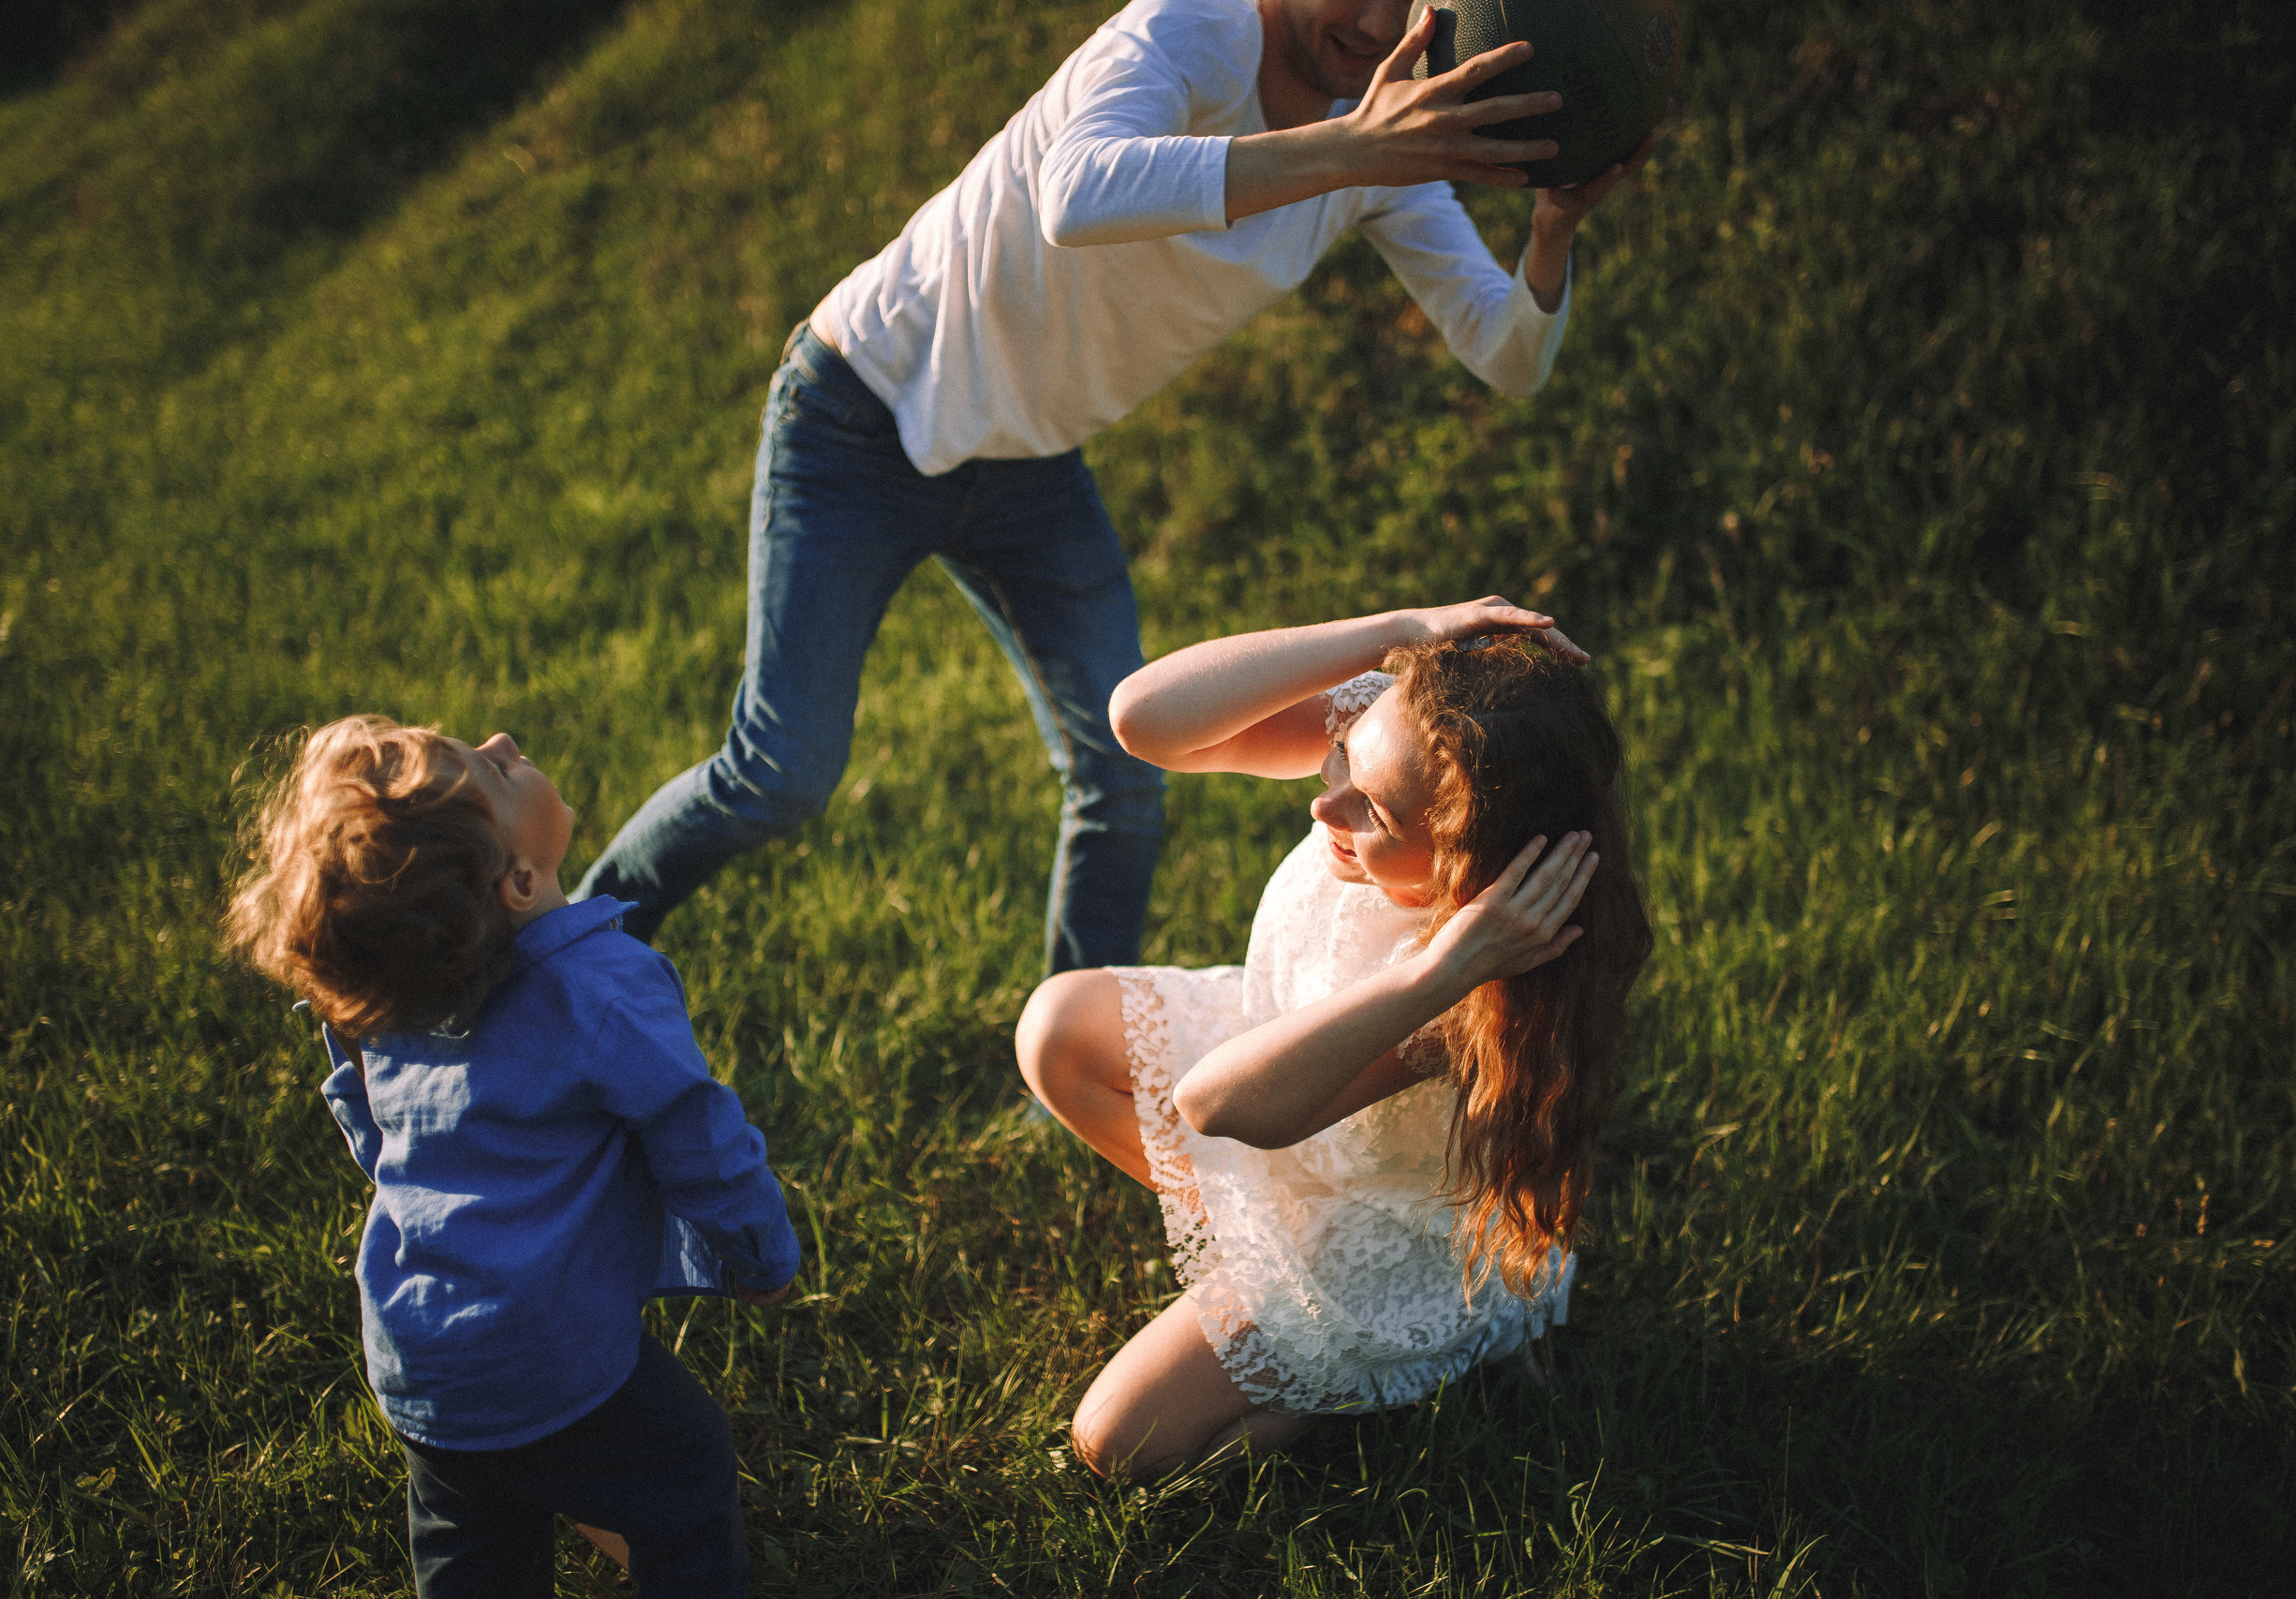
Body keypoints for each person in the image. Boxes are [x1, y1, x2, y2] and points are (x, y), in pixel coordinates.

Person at [572, 0, 1661, 970]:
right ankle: (578, 943)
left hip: (1031, 463)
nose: (1376, 27)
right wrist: (1345, 149)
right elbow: (1075, 191)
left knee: (1121, 772)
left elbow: (1505, 351)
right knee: (781, 772)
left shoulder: (1376, 157)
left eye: (1408, 2)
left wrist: (1550, 230)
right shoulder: (1191, 28)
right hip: (862, 411)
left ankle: (1076, 1058)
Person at [1015, 597, 1653, 1475]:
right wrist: (1396, 633)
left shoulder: (1473, 982)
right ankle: (1244, 1253)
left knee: (1118, 1443)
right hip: (1270, 1041)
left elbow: (1216, 1104)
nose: (1328, 806)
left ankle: (1410, 1365)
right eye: (1345, 759)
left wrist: (1439, 972)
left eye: (1375, 815)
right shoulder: (1395, 753)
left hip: (1364, 1210)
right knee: (1055, 1028)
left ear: (1467, 868)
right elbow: (1143, 718)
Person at [224, 717, 804, 1597]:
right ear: (521, 882)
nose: (501, 740)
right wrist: (759, 1251)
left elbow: (368, 1118)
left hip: (420, 1357)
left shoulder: (391, 994)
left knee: (475, 1538)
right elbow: (700, 1134)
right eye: (492, 773)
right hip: (552, 1350)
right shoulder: (601, 987)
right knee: (685, 1467)